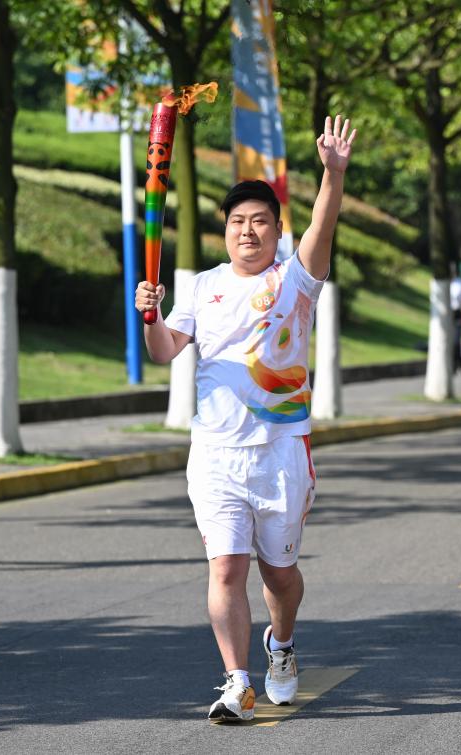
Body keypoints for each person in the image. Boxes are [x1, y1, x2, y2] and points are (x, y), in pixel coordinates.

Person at [135, 114, 356, 722]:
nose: (248, 230)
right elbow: (163, 351)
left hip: (281, 450)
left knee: (280, 575)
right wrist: (149, 316)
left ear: (277, 231)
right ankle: (237, 682)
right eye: (237, 221)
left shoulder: (296, 280)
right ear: (225, 231)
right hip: (215, 453)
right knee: (227, 567)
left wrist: (333, 175)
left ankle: (280, 645)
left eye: (260, 220)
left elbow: (322, 225)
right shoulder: (201, 286)